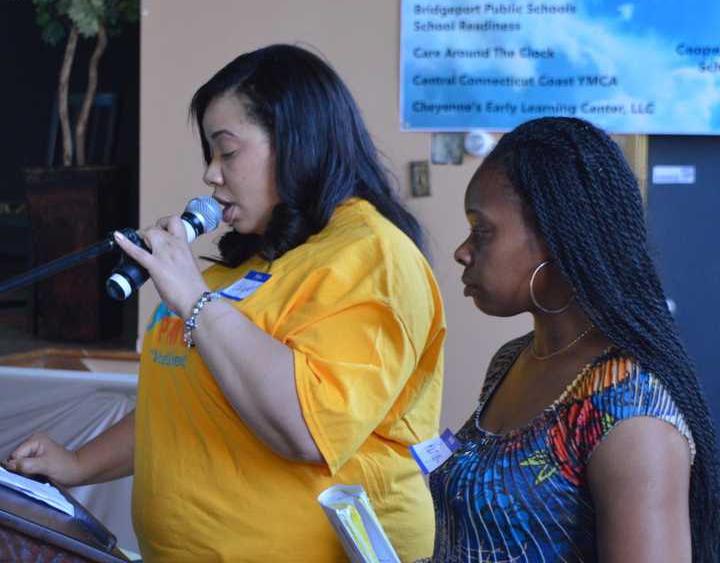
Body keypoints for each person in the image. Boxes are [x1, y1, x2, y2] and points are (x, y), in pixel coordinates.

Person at [6, 44, 446, 562]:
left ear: (296, 141)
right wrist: (78, 464)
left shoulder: (372, 255)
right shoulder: (242, 262)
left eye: (227, 152)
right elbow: (184, 411)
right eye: (209, 156)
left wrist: (194, 298)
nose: (211, 176)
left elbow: (305, 428)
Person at [424, 116, 720, 563]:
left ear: (554, 238)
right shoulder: (513, 360)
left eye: (481, 229)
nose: (462, 251)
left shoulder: (630, 409)